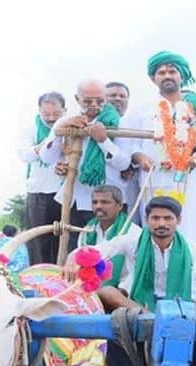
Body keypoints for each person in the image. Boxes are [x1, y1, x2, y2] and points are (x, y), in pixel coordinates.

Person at [120, 51, 196, 254]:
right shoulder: (141, 111)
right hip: (153, 179)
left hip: (189, 182)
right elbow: (128, 145)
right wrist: (139, 157)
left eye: (172, 71)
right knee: (154, 229)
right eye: (161, 72)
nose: (167, 75)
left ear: (181, 76)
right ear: (153, 78)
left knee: (189, 231)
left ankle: (191, 281)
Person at [68, 196, 196, 313]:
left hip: (184, 306)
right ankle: (150, 319)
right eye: (155, 218)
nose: (161, 224)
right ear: (147, 220)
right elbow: (97, 251)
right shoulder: (132, 242)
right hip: (141, 306)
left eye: (167, 218)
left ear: (178, 220)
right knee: (106, 292)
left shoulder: (192, 248)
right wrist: (71, 260)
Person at [39, 78, 130, 252]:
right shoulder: (66, 121)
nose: (94, 105)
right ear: (77, 99)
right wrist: (60, 133)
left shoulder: (119, 122)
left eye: (100, 100)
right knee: (74, 253)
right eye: (88, 101)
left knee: (109, 254)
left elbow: (124, 164)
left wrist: (103, 140)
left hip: (109, 202)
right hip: (73, 200)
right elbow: (46, 157)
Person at [19, 92, 67, 265]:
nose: (51, 119)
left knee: (63, 239)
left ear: (65, 111)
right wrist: (47, 142)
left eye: (56, 114)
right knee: (39, 242)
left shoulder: (71, 127)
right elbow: (25, 155)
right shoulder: (30, 129)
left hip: (65, 193)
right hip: (39, 193)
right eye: (46, 115)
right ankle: (39, 281)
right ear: (39, 111)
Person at [77, 185, 142, 288]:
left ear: (120, 206)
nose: (98, 206)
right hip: (91, 289)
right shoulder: (87, 230)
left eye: (105, 202)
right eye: (95, 202)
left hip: (124, 290)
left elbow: (136, 273)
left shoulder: (133, 232)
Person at [106, 81, 140, 218]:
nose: (118, 98)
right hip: (91, 197)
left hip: (125, 195)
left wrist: (132, 165)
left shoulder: (134, 124)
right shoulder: (93, 123)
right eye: (112, 95)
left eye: (122, 96)